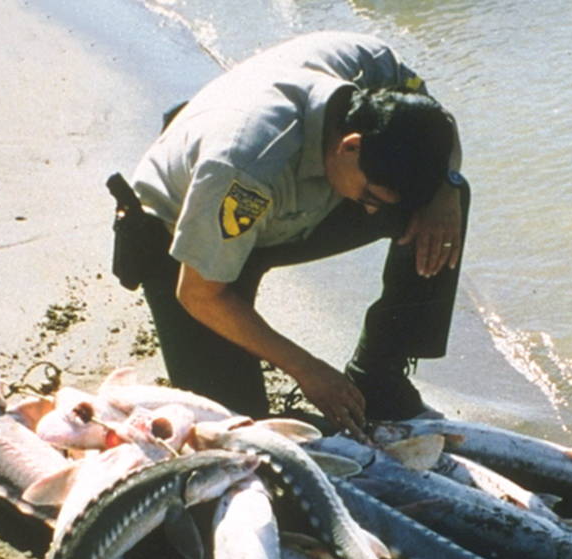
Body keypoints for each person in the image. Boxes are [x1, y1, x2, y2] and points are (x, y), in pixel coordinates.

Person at [108, 31, 469, 437]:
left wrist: (447, 186)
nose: (372, 212)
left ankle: (378, 374)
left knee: (440, 208)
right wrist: (307, 370)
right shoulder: (247, 167)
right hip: (184, 242)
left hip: (291, 205)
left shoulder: (374, 67)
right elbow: (199, 294)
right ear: (349, 145)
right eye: (370, 196)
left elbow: (436, 119)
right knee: (240, 429)